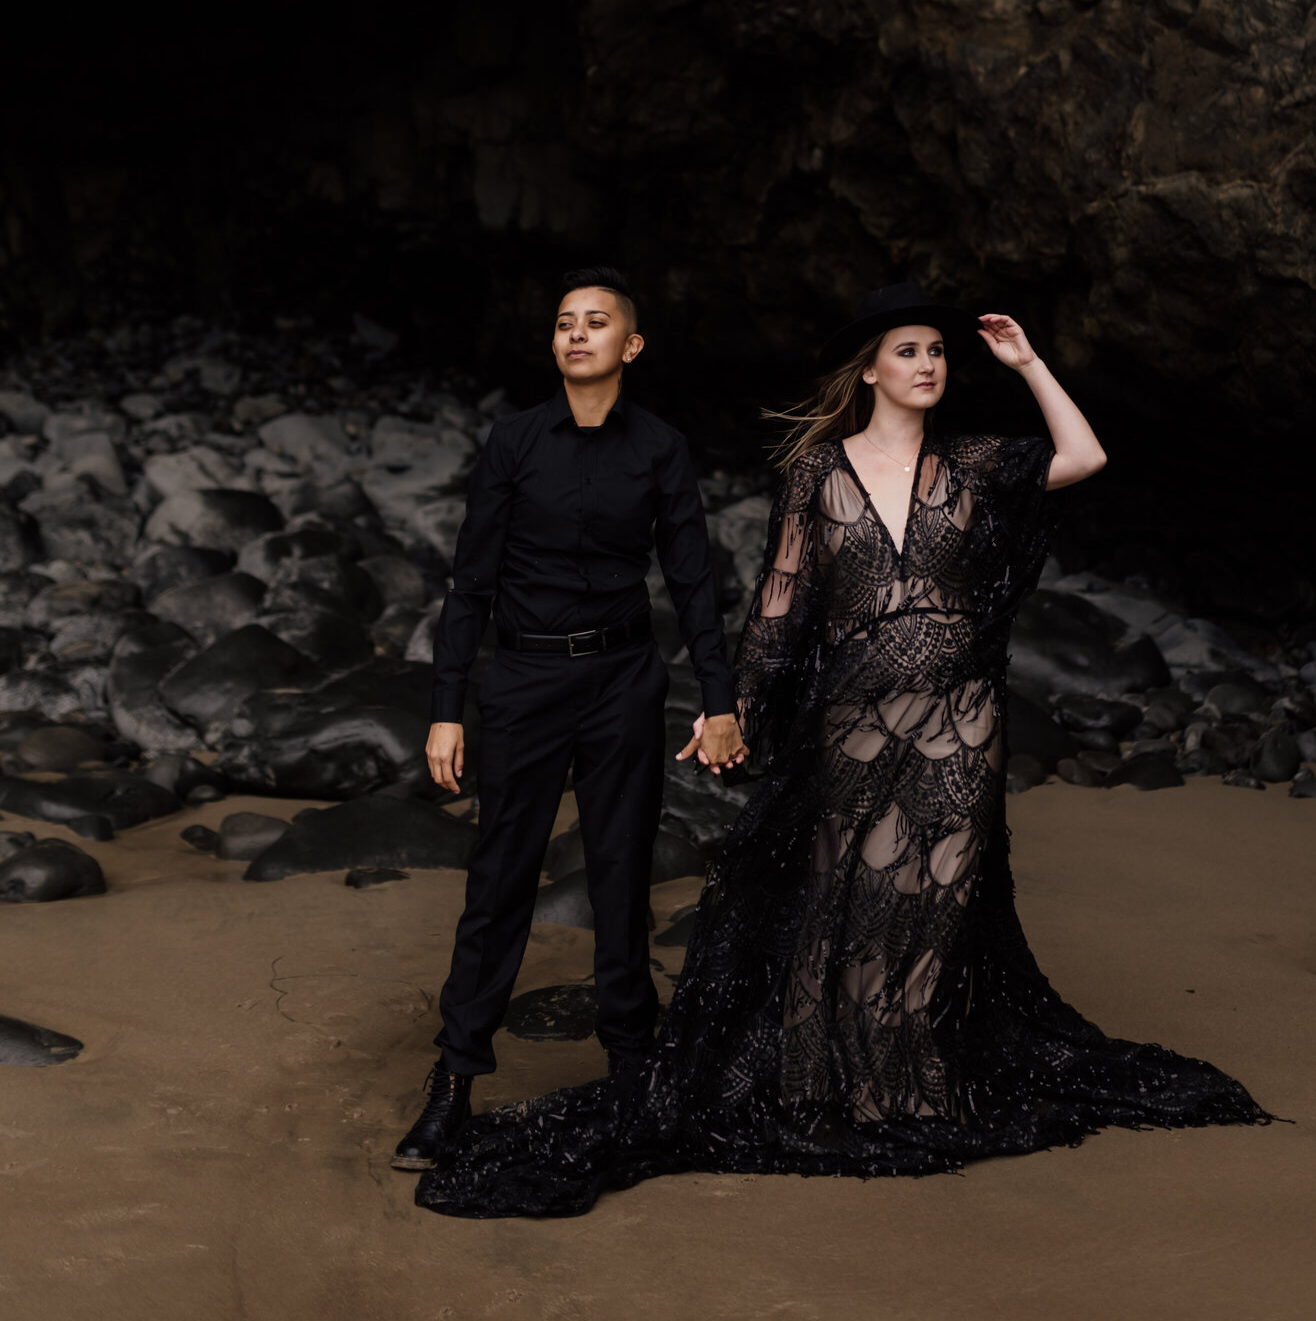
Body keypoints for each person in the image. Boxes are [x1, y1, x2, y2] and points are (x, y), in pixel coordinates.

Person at [415, 281, 1267, 1214]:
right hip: (846, 725)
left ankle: (896, 1087)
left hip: (958, 726)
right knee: (837, 914)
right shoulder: (815, 474)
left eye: (938, 352)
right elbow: (777, 615)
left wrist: (1025, 363)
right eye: (909, 351)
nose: (929, 364)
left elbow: (1084, 454)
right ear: (869, 370)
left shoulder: (974, 466)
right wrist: (729, 703)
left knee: (927, 919)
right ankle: (811, 1084)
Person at [392, 265, 744, 1168]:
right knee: (500, 878)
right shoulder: (513, 443)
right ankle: (454, 1084)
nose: (575, 335)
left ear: (630, 346)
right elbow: (469, 581)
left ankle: (634, 1070)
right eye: (563, 323)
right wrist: (447, 710)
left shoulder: (660, 448)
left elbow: (694, 582)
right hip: (523, 684)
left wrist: (719, 700)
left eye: (596, 323)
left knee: (622, 874)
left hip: (624, 681)